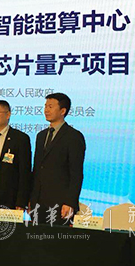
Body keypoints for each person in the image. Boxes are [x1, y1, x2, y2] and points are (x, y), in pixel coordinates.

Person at [30, 93, 86, 226]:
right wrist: (31, 198)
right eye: (45, 106)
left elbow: (76, 173)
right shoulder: (41, 135)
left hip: (61, 204)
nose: (46, 110)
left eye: (50, 106)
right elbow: (37, 169)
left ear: (63, 111)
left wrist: (70, 202)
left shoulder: (74, 136)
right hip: (38, 203)